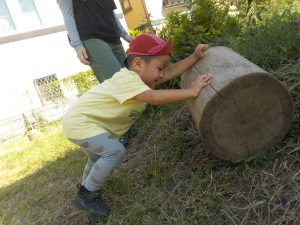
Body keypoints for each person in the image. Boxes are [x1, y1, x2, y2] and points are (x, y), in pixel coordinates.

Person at [62, 34, 213, 219]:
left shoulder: (141, 78)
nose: (162, 73)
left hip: (82, 123)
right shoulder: (128, 80)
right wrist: (191, 91)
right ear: (138, 64)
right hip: (80, 122)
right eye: (159, 68)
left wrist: (195, 57)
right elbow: (155, 98)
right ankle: (87, 195)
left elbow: (170, 72)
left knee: (97, 158)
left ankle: (86, 188)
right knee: (115, 151)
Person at [57, 0, 133, 82]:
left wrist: (124, 33)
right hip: (92, 39)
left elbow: (110, 11)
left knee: (129, 79)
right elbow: (68, 16)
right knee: (116, 81)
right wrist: (77, 45)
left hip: (114, 37)